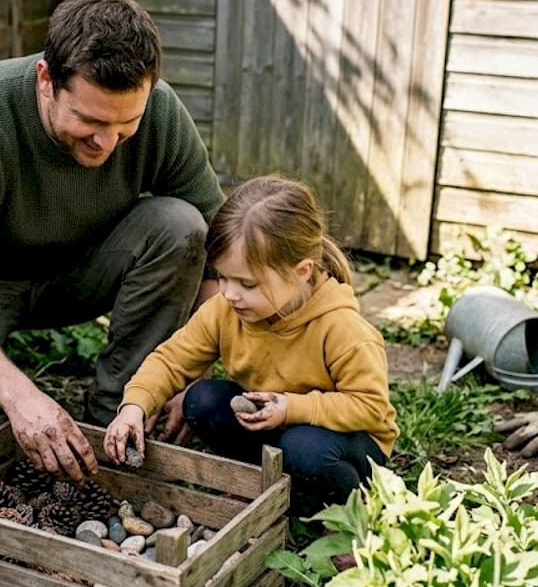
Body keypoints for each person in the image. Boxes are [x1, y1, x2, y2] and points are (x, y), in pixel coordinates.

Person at [0, 0, 225, 482]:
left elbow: (219, 248)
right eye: (88, 120)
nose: (107, 142)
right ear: (47, 80)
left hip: (80, 271)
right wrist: (22, 399)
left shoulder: (161, 113)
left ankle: (118, 407)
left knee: (182, 225)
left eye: (126, 124)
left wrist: (189, 370)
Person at [103, 176, 398, 518]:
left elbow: (369, 407)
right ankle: (256, 480)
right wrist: (134, 406)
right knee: (203, 400)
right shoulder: (226, 309)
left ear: (301, 271)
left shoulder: (342, 330)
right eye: (223, 277)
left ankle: (350, 513)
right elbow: (172, 360)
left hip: (345, 442)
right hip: (276, 423)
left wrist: (291, 408)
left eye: (247, 284)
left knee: (301, 447)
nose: (229, 293)